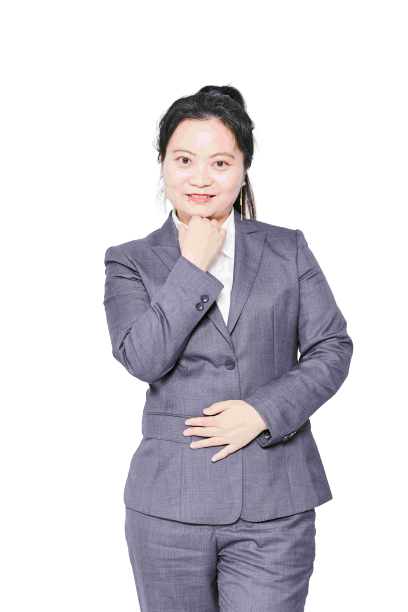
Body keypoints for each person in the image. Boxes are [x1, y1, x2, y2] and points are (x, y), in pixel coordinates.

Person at [103, 84, 354, 611]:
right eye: (184, 160)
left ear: (243, 172)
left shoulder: (288, 248)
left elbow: (332, 348)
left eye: (220, 162)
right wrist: (193, 265)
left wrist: (262, 412)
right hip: (167, 508)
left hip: (275, 501)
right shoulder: (128, 261)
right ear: (162, 166)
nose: (201, 178)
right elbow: (142, 359)